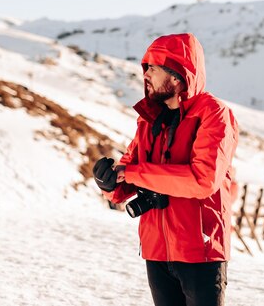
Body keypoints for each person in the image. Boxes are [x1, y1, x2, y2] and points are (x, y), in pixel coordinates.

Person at [92, 33, 239, 306]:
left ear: (177, 76)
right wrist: (109, 183)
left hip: (200, 249)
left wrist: (133, 173)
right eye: (145, 67)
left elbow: (202, 180)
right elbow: (128, 173)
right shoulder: (149, 119)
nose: (145, 74)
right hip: (156, 250)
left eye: (153, 68)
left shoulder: (214, 114)